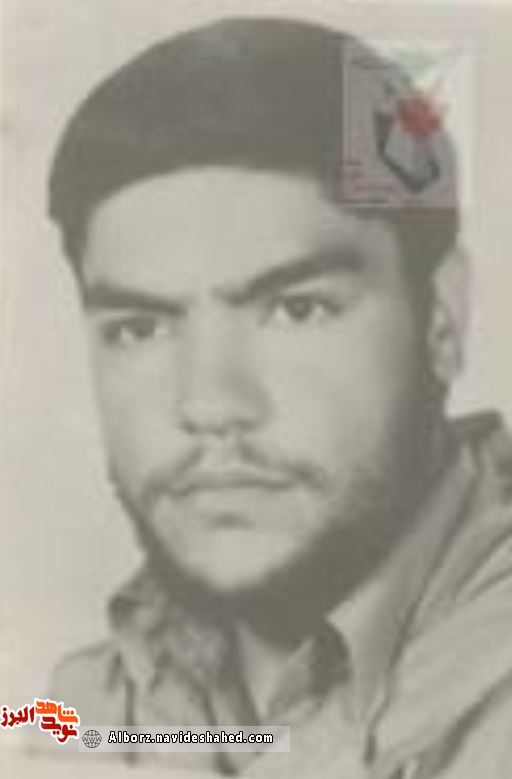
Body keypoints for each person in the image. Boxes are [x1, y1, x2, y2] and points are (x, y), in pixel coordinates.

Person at [43, 16, 512, 778]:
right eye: (140, 328)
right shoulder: (80, 708)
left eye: (296, 310)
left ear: (442, 319)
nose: (210, 403)